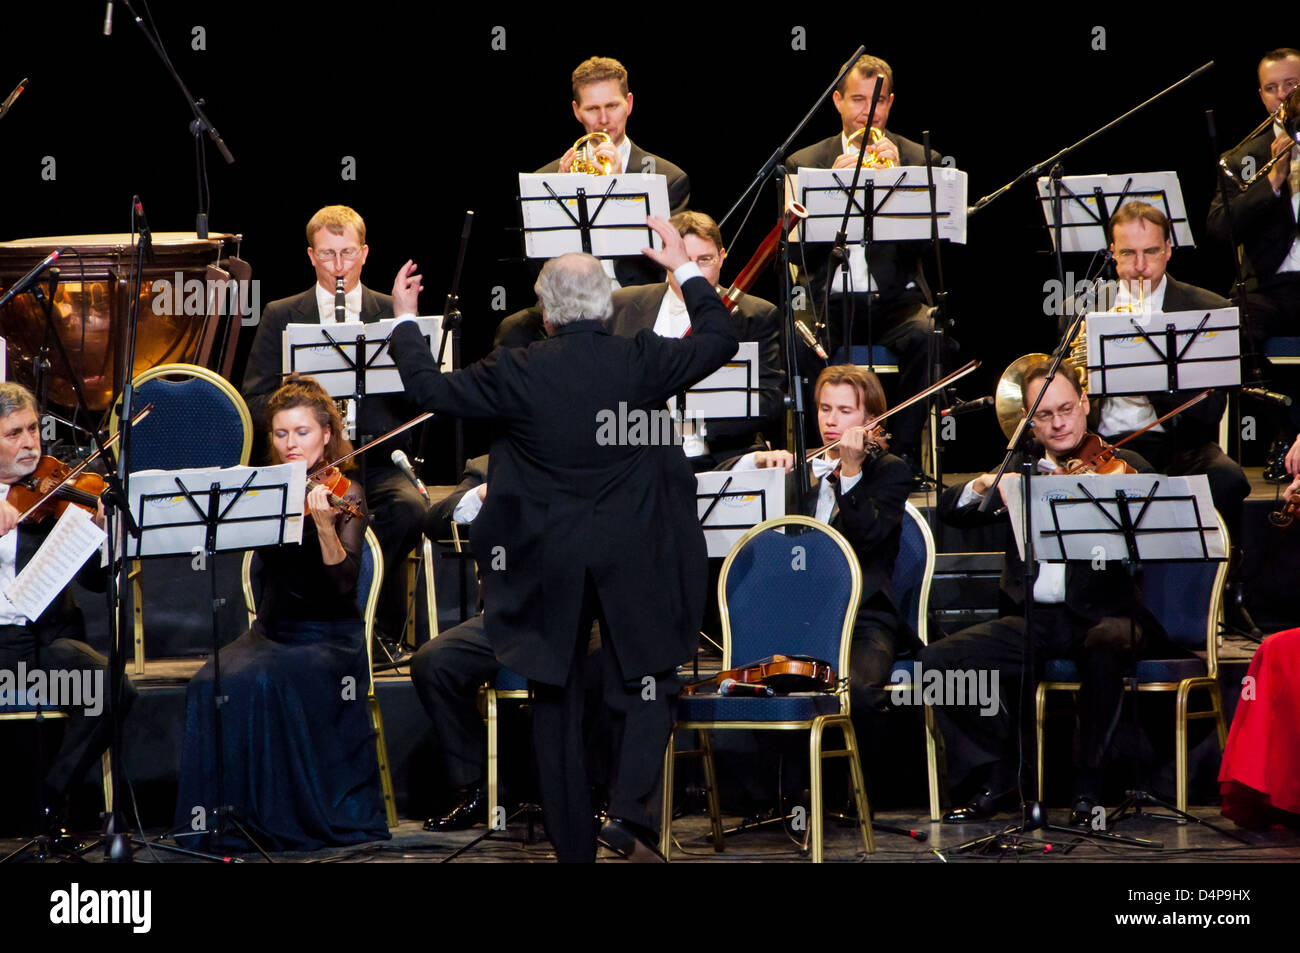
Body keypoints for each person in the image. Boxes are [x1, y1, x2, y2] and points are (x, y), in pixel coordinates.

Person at [388, 218, 738, 862]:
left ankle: (573, 849)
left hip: (548, 560)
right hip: (633, 553)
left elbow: (428, 389)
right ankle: (630, 816)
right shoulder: (638, 359)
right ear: (608, 308)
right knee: (652, 679)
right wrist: (683, 270)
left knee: (555, 693)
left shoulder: (515, 369)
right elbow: (720, 339)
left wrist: (408, 320)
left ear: (545, 313)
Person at [920, 360, 1168, 827]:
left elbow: (1154, 547)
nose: (1058, 423)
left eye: (1066, 409)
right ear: (1029, 423)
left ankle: (1089, 787)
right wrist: (984, 484)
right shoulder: (1021, 472)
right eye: (1044, 415)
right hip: (1035, 618)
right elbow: (954, 510)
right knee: (939, 664)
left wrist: (1108, 501)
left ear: (1085, 405)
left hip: (1105, 615)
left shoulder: (1127, 468)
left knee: (1104, 644)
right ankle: (1004, 770)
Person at [173, 376, 388, 851]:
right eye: (281, 434)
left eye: (303, 432)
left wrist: (326, 528)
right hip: (271, 631)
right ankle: (220, 821)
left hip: (328, 639)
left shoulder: (346, 492)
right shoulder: (265, 489)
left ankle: (282, 818)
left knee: (261, 681)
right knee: (207, 682)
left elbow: (341, 584)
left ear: (327, 434)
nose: (291, 444)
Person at [240, 205, 426, 640]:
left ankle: (372, 618)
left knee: (411, 510)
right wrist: (296, 399)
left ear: (365, 253)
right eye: (327, 255)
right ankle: (304, 622)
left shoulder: (390, 312)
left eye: (347, 253)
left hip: (374, 458)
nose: (338, 266)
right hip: (307, 466)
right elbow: (253, 401)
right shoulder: (281, 314)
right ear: (310, 256)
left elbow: (419, 395)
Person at [724, 364, 917, 720]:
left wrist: (852, 472)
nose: (831, 420)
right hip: (803, 613)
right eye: (825, 409)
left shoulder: (889, 470)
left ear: (871, 421)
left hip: (864, 618)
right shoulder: (800, 471)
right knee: (753, 687)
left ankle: (864, 776)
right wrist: (758, 462)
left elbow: (869, 538)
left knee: (859, 692)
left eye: (845, 412)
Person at [1091, 202, 1253, 627]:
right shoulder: (1086, 308)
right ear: (1112, 253)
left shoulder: (1207, 309)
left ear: (1168, 251)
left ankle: (1223, 600)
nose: (1139, 266)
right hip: (1104, 448)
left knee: (1229, 478)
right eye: (1127, 254)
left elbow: (1209, 411)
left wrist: (1146, 367)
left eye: (1150, 252)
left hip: (1180, 445)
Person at [785, 53, 945, 476]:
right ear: (837, 100)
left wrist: (900, 185)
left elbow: (935, 251)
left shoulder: (918, 159)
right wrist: (829, 195)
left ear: (889, 104)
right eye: (857, 100)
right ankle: (817, 461)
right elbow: (792, 253)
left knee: (930, 336)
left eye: (876, 103)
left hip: (895, 300)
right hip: (829, 300)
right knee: (796, 343)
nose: (866, 113)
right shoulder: (805, 163)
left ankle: (903, 458)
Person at [0, 382, 127, 836]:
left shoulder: (57, 493)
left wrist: (102, 535)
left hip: (45, 638)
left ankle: (50, 799)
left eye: (33, 429)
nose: (30, 442)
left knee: (110, 690)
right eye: (14, 433)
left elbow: (94, 582)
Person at [607, 210, 786, 470]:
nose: (693, 272)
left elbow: (769, 401)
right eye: (684, 261)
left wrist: (693, 418)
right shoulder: (623, 304)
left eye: (705, 260)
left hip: (718, 459)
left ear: (722, 258)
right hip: (639, 460)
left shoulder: (756, 315)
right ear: (666, 258)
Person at [536, 56, 691, 289]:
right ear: (577, 111)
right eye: (592, 109)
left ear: (628, 104)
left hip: (635, 305)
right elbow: (536, 267)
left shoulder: (668, 178)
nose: (604, 119)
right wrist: (560, 199)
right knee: (513, 326)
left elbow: (665, 263)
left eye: (612, 106)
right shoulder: (546, 178)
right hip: (570, 303)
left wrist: (620, 187)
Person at [1206, 49, 1300, 371]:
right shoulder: (1242, 158)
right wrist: (1273, 180)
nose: (1282, 96)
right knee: (1229, 336)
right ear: (1261, 96)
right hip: (1268, 289)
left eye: (1291, 84)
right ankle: (1260, 415)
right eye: (1271, 88)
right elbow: (1220, 226)